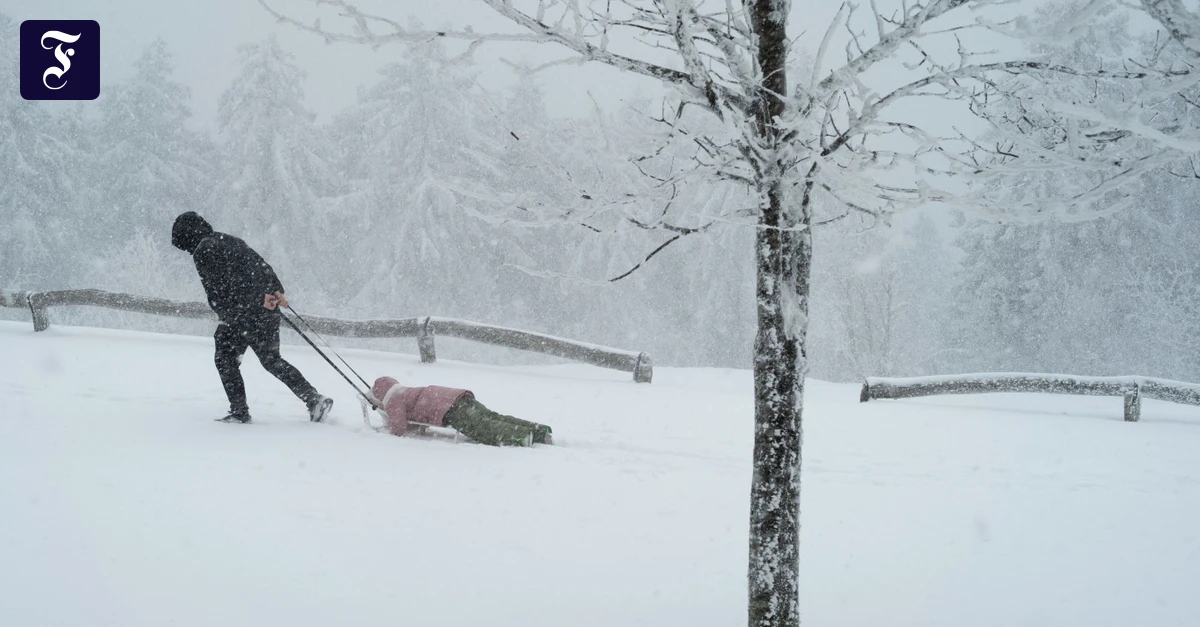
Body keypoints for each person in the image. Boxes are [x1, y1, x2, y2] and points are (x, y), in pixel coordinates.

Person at [171, 211, 332, 424]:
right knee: (272, 360)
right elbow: (262, 267)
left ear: (187, 237)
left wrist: (228, 316)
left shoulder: (204, 251)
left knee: (225, 359)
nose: (187, 251)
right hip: (265, 308)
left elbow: (222, 289)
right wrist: (275, 292)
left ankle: (239, 412)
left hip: (243, 314)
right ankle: (313, 398)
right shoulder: (228, 240)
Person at [370, 376, 552, 447]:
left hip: (449, 410)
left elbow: (399, 427)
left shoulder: (393, 400)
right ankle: (538, 430)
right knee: (492, 416)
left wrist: (388, 429)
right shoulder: (407, 391)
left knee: (482, 428)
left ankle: (522, 435)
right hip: (458, 397)